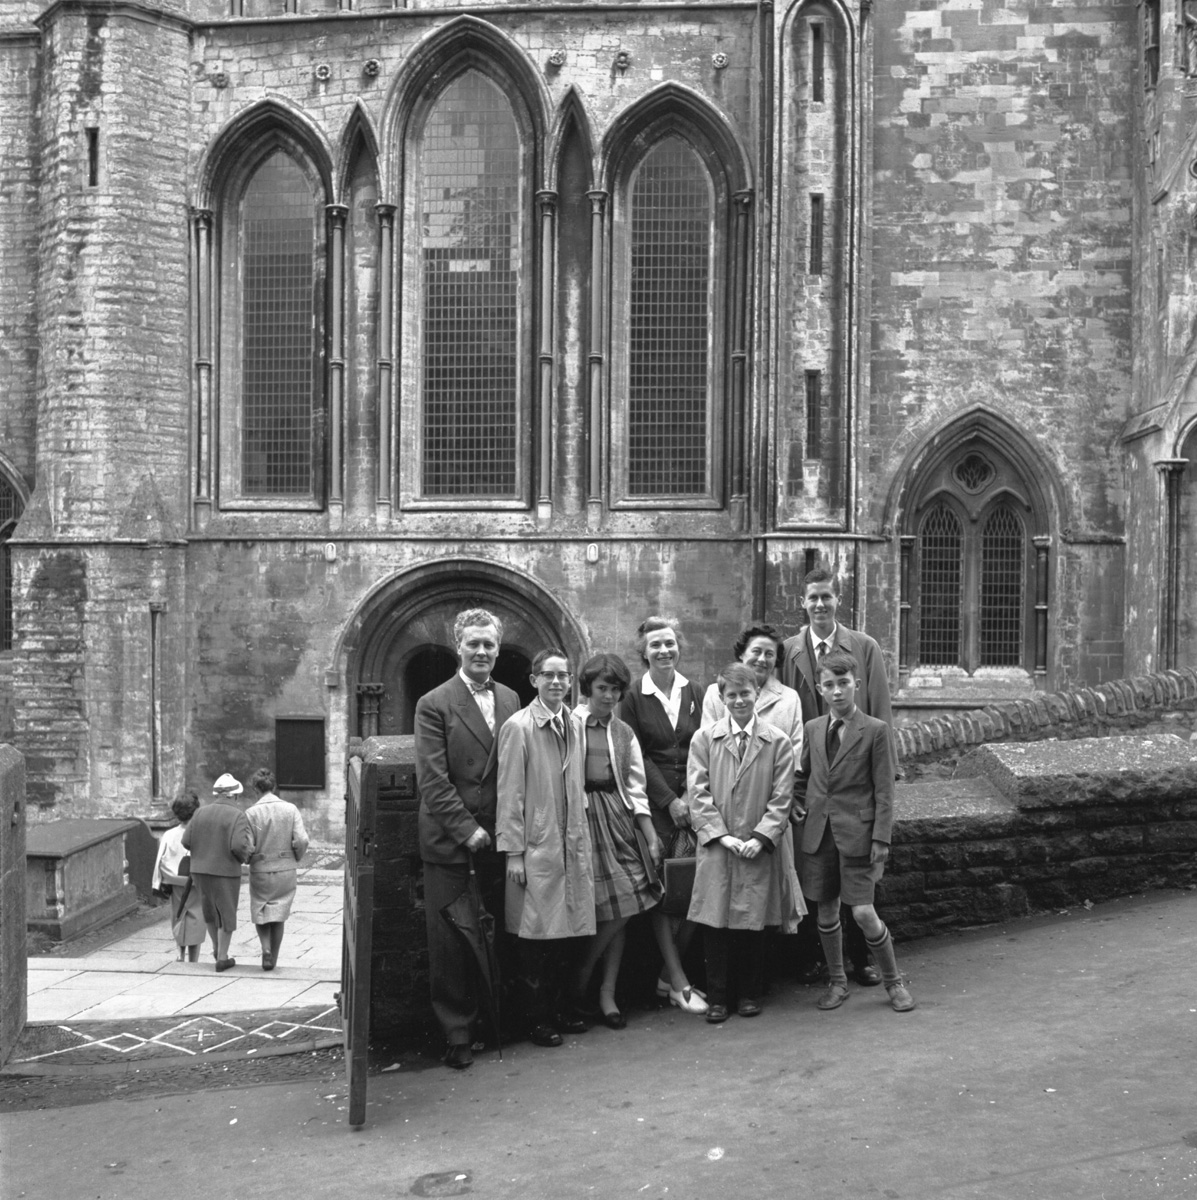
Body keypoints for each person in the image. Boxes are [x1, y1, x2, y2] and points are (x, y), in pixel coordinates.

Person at [414, 607, 521, 1070]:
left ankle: (497, 1023)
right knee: (452, 940)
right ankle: (457, 1032)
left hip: (501, 836)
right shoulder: (434, 703)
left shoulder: (511, 698)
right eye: (473, 643)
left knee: (500, 932)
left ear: (498, 649)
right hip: (453, 840)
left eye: (489, 644)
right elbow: (433, 780)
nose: (481, 651)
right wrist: (467, 829)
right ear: (458, 646)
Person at [781, 567, 893, 986]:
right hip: (815, 780)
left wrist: (885, 776)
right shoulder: (790, 650)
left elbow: (880, 708)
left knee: (860, 888)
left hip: (857, 773)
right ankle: (825, 965)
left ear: (837, 600)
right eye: (813, 598)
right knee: (820, 883)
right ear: (803, 602)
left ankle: (863, 961)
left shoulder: (864, 647)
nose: (820, 605)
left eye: (826, 597)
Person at [794, 650, 915, 1013]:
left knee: (862, 912)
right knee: (826, 912)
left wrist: (881, 838)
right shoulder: (813, 728)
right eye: (829, 685)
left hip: (859, 836)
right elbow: (804, 776)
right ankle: (837, 981)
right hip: (819, 834)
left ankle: (894, 982)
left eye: (843, 683)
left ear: (857, 685)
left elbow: (885, 790)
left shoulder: (875, 730)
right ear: (820, 688)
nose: (837, 691)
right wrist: (798, 804)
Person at [687, 663, 803, 1023]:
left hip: (757, 845)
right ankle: (718, 998)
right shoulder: (704, 739)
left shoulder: (777, 742)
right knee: (715, 921)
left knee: (753, 920)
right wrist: (721, 836)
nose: (739, 700)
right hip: (718, 846)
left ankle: (750, 994)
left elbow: (782, 797)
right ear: (721, 698)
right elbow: (697, 793)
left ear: (757, 694)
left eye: (745, 693)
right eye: (732, 695)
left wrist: (761, 837)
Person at [567, 654, 672, 1030]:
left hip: (617, 817)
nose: (609, 696)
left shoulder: (623, 732)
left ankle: (598, 987)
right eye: (602, 688)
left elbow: (636, 788)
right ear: (587, 688)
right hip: (581, 819)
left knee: (627, 901)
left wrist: (650, 836)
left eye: (615, 689)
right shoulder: (569, 725)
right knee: (603, 909)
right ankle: (585, 985)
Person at [497, 648, 595, 1047]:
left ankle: (561, 1010)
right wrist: (513, 852)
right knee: (534, 936)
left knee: (566, 933)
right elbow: (510, 794)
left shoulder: (574, 723)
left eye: (563, 675)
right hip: (537, 845)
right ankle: (536, 1019)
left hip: (570, 843)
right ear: (534, 680)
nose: (556, 682)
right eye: (548, 675)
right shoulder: (518, 727)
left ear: (571, 681)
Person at [617, 615, 708, 1014]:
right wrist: (670, 799)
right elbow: (637, 754)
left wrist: (689, 793)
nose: (664, 650)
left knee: (699, 885)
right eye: (655, 644)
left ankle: (668, 978)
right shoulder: (633, 697)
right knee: (662, 890)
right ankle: (678, 980)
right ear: (644, 652)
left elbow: (702, 746)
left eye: (669, 643)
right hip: (653, 807)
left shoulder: (695, 691)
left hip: (694, 801)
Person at [701, 623, 803, 766]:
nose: (761, 659)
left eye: (769, 654)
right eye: (756, 651)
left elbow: (794, 752)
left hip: (773, 778)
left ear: (776, 660)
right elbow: (706, 746)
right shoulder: (715, 693)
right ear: (742, 654)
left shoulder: (790, 698)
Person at [182, 773, 254, 971]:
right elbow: (238, 846)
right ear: (234, 795)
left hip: (199, 870)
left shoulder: (200, 813)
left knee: (210, 912)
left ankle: (216, 948)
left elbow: (186, 841)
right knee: (226, 913)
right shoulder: (238, 815)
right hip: (225, 870)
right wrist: (245, 857)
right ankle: (222, 957)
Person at [244, 767, 310, 971]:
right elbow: (302, 839)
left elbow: (248, 846)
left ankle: (265, 949)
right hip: (285, 869)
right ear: (273, 786)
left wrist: (248, 859)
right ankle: (274, 957)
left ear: (256, 788)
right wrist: (296, 857)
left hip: (261, 868)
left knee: (261, 909)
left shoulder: (251, 813)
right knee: (279, 913)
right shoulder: (290, 809)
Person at [151, 790, 205, 963]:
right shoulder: (201, 833)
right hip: (196, 883)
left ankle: (180, 953)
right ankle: (193, 958)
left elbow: (161, 860)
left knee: (178, 915)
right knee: (196, 919)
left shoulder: (169, 834)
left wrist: (159, 882)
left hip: (175, 883)